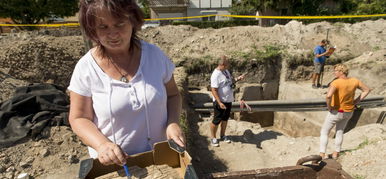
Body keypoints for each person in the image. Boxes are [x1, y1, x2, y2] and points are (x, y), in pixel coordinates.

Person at [68, 0, 185, 166]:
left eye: (120, 24)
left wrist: (173, 123)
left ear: (133, 21)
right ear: (92, 29)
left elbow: (173, 95)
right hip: (115, 167)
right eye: (103, 27)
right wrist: (102, 145)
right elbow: (79, 118)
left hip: (161, 160)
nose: (113, 34)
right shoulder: (86, 68)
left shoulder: (155, 56)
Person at [319, 64, 371, 159]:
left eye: (335, 71)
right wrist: (356, 101)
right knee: (340, 131)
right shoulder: (355, 81)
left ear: (341, 72)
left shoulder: (336, 83)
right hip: (349, 111)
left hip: (336, 111)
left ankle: (322, 154)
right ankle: (336, 153)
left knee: (324, 132)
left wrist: (329, 106)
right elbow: (367, 90)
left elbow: (328, 96)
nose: (334, 73)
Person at [210, 56, 244, 147]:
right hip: (220, 101)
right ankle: (213, 138)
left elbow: (230, 82)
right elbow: (213, 90)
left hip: (228, 100)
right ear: (222, 64)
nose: (229, 65)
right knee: (216, 120)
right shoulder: (216, 75)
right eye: (227, 64)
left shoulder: (225, 71)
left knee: (225, 119)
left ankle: (222, 135)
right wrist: (219, 102)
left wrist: (237, 79)